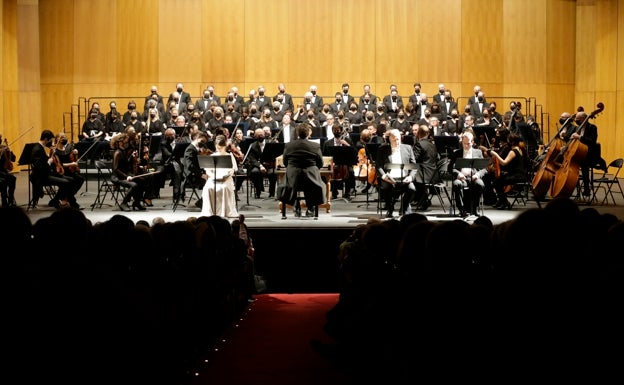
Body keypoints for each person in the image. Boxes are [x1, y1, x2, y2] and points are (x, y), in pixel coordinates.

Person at [278, 123, 327, 218]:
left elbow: (285, 163)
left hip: (293, 179)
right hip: (311, 180)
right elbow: (320, 163)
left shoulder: (289, 145)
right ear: (308, 133)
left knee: (293, 183)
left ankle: (296, 206)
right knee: (320, 184)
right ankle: (310, 208)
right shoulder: (315, 146)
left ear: (297, 133)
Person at [30, 129, 81, 209]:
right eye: (50, 140)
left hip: (47, 173)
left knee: (71, 180)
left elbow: (43, 162)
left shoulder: (40, 147)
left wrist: (49, 158)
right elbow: (39, 168)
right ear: (46, 139)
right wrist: (49, 162)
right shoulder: (37, 149)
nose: (51, 142)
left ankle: (56, 200)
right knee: (66, 182)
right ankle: (69, 202)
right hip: (41, 177)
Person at [376, 128, 418, 218]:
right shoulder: (382, 149)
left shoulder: (408, 148)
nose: (396, 141)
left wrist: (410, 177)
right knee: (385, 188)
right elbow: (378, 166)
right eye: (394, 139)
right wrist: (384, 176)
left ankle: (403, 208)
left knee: (412, 189)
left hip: (404, 177)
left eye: (398, 138)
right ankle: (390, 209)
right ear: (389, 139)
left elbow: (414, 166)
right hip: (389, 178)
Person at [485, 132, 528, 209]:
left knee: (497, 182)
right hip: (521, 175)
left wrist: (495, 154)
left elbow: (504, 163)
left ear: (511, 142)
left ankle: (505, 202)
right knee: (498, 180)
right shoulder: (520, 149)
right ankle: (501, 201)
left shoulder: (513, 151)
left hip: (516, 176)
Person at [451, 131, 488, 217]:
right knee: (456, 184)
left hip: (474, 177)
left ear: (473, 142)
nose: (466, 146)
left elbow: (484, 168)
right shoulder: (457, 153)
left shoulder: (478, 152)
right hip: (462, 178)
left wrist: (477, 175)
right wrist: (458, 174)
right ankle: (462, 209)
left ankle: (474, 208)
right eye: (464, 144)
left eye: (468, 143)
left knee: (480, 184)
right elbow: (450, 168)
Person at [201, 134, 239, 218]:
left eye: (221, 148)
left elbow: (233, 170)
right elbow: (208, 170)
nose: (219, 149)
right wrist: (212, 176)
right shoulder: (212, 156)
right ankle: (210, 212)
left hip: (226, 179)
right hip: (213, 178)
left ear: (225, 146)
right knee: (208, 188)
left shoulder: (229, 156)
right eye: (217, 148)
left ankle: (224, 212)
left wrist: (227, 175)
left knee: (224, 187)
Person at [109, 133, 148, 211]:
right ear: (121, 142)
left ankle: (136, 202)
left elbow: (125, 164)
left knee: (142, 181)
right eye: (126, 141)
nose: (127, 143)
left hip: (124, 175)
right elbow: (115, 169)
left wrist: (132, 157)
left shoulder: (123, 151)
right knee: (133, 185)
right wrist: (126, 176)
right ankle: (124, 203)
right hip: (117, 177)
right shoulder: (117, 153)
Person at [51, 131, 84, 209]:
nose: (64, 139)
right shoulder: (54, 150)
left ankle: (58, 199)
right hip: (60, 172)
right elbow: (59, 165)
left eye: (65, 137)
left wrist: (76, 153)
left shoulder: (68, 148)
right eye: (62, 138)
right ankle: (72, 201)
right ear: (57, 139)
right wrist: (71, 164)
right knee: (71, 181)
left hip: (70, 170)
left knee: (80, 179)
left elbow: (73, 158)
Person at [323, 123, 356, 200]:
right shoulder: (327, 143)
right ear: (332, 131)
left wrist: (347, 144)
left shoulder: (347, 140)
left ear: (341, 131)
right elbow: (324, 155)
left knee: (350, 171)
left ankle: (347, 192)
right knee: (332, 170)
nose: (336, 132)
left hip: (346, 163)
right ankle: (334, 192)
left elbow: (354, 152)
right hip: (333, 163)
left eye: (338, 131)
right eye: (335, 131)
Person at [411, 125, 439, 210]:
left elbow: (414, 159)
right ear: (428, 134)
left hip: (423, 175)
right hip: (434, 174)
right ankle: (422, 199)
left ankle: (419, 199)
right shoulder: (432, 144)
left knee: (409, 175)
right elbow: (437, 158)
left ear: (418, 134)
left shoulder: (419, 144)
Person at [247, 127, 278, 199]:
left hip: (269, 165)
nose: (260, 136)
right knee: (255, 172)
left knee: (273, 173)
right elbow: (252, 159)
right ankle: (258, 192)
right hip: (258, 166)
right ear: (255, 136)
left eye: (261, 134)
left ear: (264, 134)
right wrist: (260, 166)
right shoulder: (252, 145)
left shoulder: (271, 143)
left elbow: (275, 155)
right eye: (258, 135)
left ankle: (271, 193)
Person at [182, 130, 210, 208]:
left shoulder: (196, 148)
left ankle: (205, 201)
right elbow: (190, 166)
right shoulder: (190, 149)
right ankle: (203, 202)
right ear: (197, 138)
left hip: (196, 173)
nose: (203, 143)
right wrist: (201, 174)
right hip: (191, 176)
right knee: (211, 180)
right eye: (202, 141)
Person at [0, 133, 17, 207]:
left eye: (0, 138)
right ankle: (4, 201)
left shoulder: (3, 147)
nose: (0, 140)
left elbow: (13, 159)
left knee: (12, 178)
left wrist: (10, 151)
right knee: (3, 180)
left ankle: (10, 198)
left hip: (2, 171)